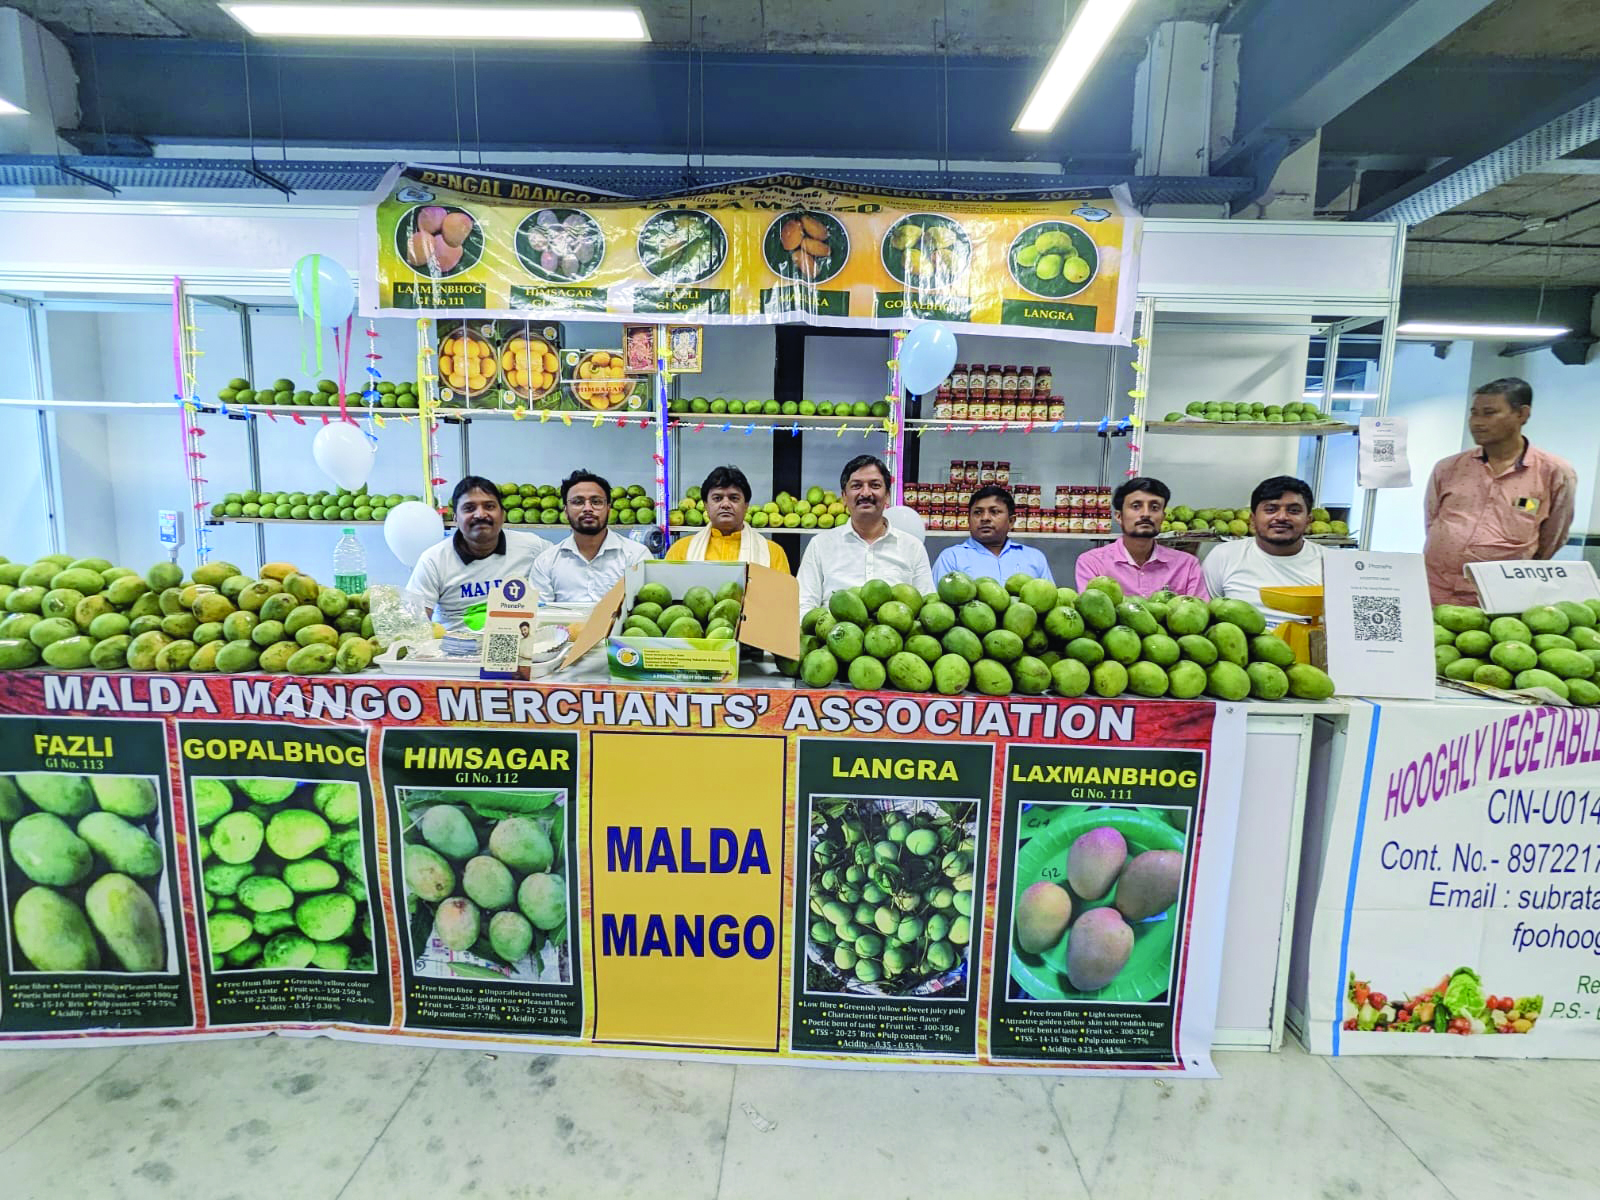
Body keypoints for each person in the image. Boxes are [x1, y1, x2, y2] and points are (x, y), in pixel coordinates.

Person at [1423, 377, 1576, 606]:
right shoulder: (1448, 468)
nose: (1477, 422)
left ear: (1522, 415)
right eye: (1474, 413)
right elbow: (1432, 521)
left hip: (1500, 598)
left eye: (1489, 413)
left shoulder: (1554, 473)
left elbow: (1553, 536)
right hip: (1434, 589)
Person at [404, 475, 544, 632]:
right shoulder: (434, 560)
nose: (480, 514)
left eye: (489, 506)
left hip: (517, 644)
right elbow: (414, 623)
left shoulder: (532, 546)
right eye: (469, 508)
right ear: (455, 517)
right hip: (455, 650)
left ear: (502, 515)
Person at [797, 454, 933, 613]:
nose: (866, 493)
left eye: (875, 485)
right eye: (856, 486)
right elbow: (803, 605)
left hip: (895, 636)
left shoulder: (912, 547)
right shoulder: (820, 545)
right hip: (833, 635)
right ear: (844, 497)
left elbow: (927, 606)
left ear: (887, 495)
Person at [1202, 475, 1324, 629]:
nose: (1281, 517)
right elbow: (1208, 616)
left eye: (1293, 510)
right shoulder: (1224, 556)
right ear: (1252, 519)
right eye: (1271, 509)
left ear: (1308, 520)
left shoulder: (1331, 563)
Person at [528, 469, 651, 604]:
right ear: (566, 511)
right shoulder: (546, 561)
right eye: (578, 502)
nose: (587, 508)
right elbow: (541, 614)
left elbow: (645, 607)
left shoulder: (636, 556)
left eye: (596, 502)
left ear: (609, 509)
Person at [1073, 476, 1207, 599]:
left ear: (1163, 518)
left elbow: (1199, 615)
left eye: (1154, 507)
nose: (1146, 514)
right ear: (1119, 516)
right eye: (1136, 506)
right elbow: (1093, 614)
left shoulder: (1187, 565)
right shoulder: (1093, 563)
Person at [663, 465, 790, 573]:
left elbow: (781, 599)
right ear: (706, 505)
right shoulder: (681, 550)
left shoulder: (772, 552)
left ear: (746, 506)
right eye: (717, 498)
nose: (725, 504)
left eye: (734, 498)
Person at [931, 485, 1051, 584]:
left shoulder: (1035, 558)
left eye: (994, 512)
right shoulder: (951, 558)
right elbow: (937, 607)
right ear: (968, 520)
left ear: (1011, 521)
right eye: (978, 512)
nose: (985, 518)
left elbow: (1049, 603)